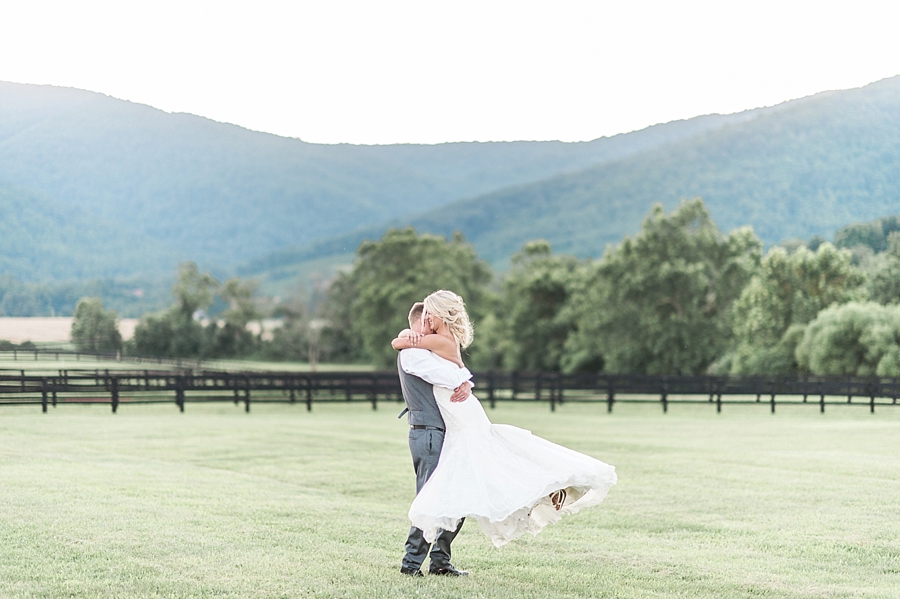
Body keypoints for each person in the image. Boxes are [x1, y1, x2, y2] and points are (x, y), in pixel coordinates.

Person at [391, 290, 617, 549]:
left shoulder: (440, 341)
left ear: (441, 315)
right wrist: (463, 378)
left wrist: (405, 336)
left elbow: (398, 344)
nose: (427, 318)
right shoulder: (443, 341)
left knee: (492, 471)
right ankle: (543, 492)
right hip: (460, 414)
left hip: (461, 418)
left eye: (431, 313)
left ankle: (544, 491)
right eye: (426, 313)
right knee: (490, 470)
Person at [395, 301, 474, 577]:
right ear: (419, 325)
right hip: (428, 432)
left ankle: (440, 560)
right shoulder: (412, 353)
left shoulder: (424, 350)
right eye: (428, 323)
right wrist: (463, 379)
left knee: (461, 496)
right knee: (430, 498)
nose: (432, 328)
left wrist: (465, 380)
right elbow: (442, 375)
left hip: (441, 433)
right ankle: (411, 564)